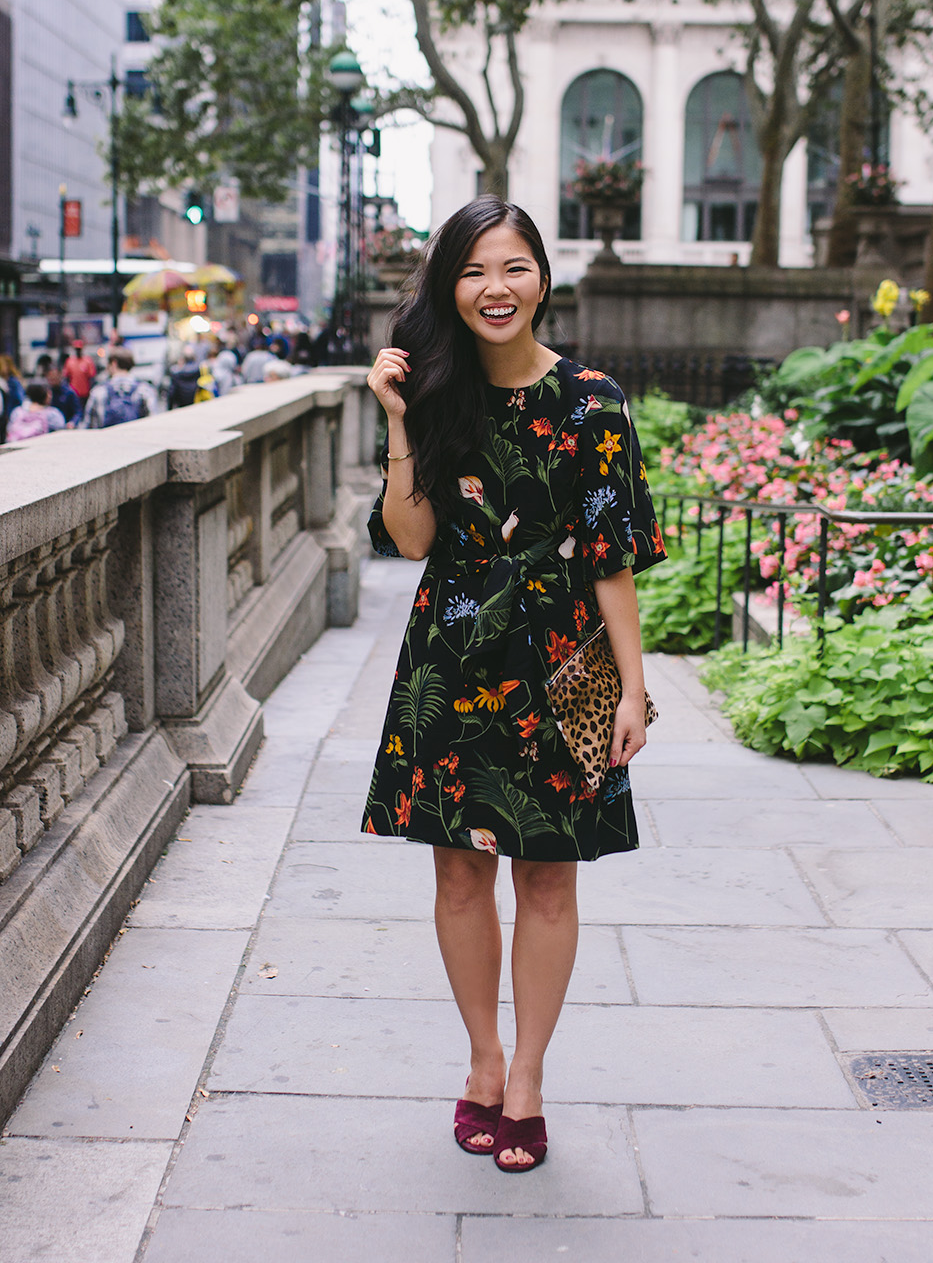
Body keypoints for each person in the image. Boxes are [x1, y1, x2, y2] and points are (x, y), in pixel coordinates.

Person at [362, 196, 666, 1173]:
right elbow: (411, 540)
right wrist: (398, 420)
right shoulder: (436, 394)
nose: (495, 288)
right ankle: (481, 1061)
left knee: (547, 872)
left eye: (514, 266)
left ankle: (528, 1075)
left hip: (569, 661)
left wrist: (630, 686)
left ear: (542, 276)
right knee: (458, 869)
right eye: (473, 271)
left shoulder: (594, 400)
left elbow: (611, 555)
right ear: (450, 285)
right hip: (453, 660)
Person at [83, 349, 157, 428]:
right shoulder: (144, 390)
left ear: (114, 363)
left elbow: (89, 424)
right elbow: (152, 421)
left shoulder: (99, 391)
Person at [43, 361, 82, 427]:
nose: (53, 380)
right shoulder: (45, 392)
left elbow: (78, 412)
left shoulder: (69, 393)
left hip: (65, 427)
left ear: (60, 375)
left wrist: (72, 422)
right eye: (51, 379)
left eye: (55, 378)